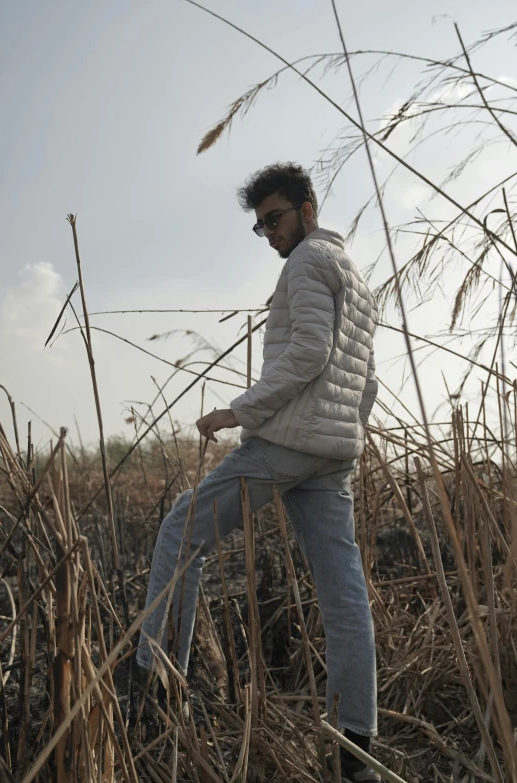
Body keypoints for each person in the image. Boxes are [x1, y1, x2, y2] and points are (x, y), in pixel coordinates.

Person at [136, 162, 380, 782]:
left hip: (288, 444)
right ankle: (356, 750)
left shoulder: (304, 264)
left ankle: (155, 692)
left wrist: (235, 410)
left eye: (274, 218)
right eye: (260, 225)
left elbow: (308, 354)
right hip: (333, 453)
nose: (269, 232)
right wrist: (347, 435)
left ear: (308, 209)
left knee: (178, 532)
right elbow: (366, 376)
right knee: (343, 595)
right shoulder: (355, 276)